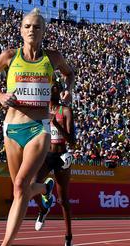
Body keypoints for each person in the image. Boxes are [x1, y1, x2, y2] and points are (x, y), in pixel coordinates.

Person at [0, 8, 75, 246]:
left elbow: (70, 73)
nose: (32, 30)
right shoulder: (9, 56)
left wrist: (68, 89)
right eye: (28, 26)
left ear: (44, 31)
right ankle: (44, 188)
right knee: (19, 190)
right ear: (21, 31)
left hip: (38, 129)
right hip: (11, 129)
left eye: (37, 26)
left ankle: (5, 244)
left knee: (21, 186)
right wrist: (0, 96)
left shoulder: (53, 57)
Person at [33, 81, 75, 246]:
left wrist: (56, 124)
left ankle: (68, 237)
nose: (53, 90)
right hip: (46, 155)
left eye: (56, 87)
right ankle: (43, 209)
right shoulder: (40, 111)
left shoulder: (65, 111)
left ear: (59, 92)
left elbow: (73, 141)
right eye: (50, 88)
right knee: (30, 185)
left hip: (61, 156)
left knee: (63, 200)